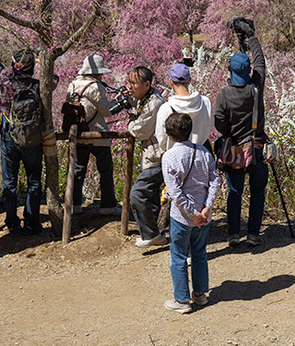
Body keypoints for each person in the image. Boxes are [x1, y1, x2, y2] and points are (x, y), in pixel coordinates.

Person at [213, 18, 270, 247]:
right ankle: (254, 234)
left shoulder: (224, 95)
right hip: (256, 146)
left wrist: (229, 133)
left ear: (229, 70)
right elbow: (260, 62)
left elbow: (220, 125)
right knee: (257, 191)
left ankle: (233, 234)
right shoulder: (256, 87)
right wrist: (251, 36)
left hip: (235, 149)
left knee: (234, 192)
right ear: (248, 71)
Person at [161, 112, 221, 313]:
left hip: (182, 217)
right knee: (199, 253)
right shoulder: (204, 152)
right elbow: (215, 180)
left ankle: (182, 300)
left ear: (169, 134)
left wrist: (191, 213)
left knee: (178, 255)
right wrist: (206, 207)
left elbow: (175, 193)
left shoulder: (169, 157)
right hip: (204, 216)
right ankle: (200, 294)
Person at [0, 49, 44, 235]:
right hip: (32, 137)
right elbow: (54, 79)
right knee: (34, 181)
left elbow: (5, 72)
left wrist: (16, 62)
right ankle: (32, 223)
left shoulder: (5, 81)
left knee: (9, 183)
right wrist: (40, 63)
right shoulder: (37, 85)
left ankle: (13, 224)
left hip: (10, 136)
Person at [67, 54, 119, 214]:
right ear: (96, 72)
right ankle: (108, 205)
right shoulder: (96, 87)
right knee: (105, 169)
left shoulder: (73, 85)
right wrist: (120, 103)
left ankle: (74, 204)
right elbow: (107, 111)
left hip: (79, 132)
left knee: (78, 169)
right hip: (97, 134)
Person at [126, 65, 169, 247]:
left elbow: (141, 130)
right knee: (151, 197)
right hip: (151, 155)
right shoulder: (148, 97)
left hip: (157, 157)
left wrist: (130, 124)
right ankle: (155, 233)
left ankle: (151, 234)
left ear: (147, 84)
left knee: (137, 194)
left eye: (134, 83)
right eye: (129, 82)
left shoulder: (154, 103)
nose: (130, 86)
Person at [155, 62, 215, 152]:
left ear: (170, 81)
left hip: (175, 157)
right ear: (189, 80)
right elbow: (210, 127)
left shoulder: (165, 109)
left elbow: (161, 138)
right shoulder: (205, 102)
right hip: (201, 154)